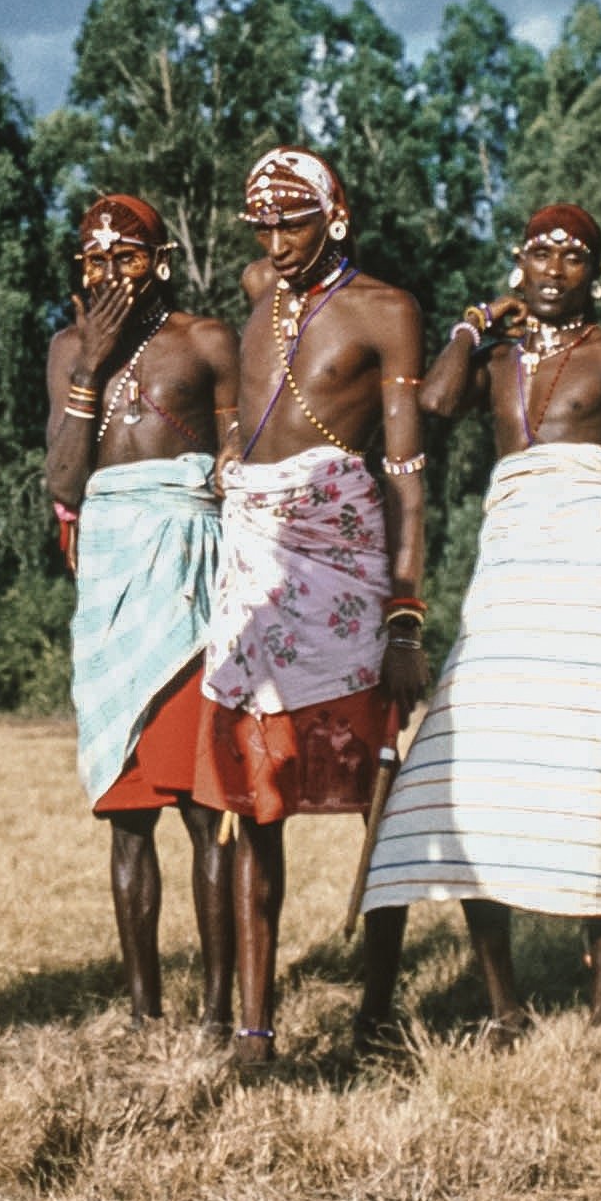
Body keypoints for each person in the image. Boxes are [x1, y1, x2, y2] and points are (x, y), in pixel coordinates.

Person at [356, 204, 601, 1041]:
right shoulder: (492, 360)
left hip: (594, 575)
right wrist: (471, 324)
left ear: (595, 273)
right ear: (516, 263)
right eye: (538, 252)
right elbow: (429, 406)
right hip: (506, 583)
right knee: (469, 778)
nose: (553, 268)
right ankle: (504, 1007)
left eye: (573, 257)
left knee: (594, 780)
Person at [193, 148, 428, 1062]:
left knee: (379, 788)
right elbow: (237, 400)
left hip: (344, 567)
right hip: (254, 560)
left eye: (293, 221)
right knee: (254, 800)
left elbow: (406, 474)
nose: (275, 241)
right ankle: (255, 1026)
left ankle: (375, 1011)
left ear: (336, 216)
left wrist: (404, 615)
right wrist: (226, 451)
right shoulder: (261, 285)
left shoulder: (385, 311)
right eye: (261, 224)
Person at [44, 196, 241, 1034]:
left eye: (123, 257)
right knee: (127, 819)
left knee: (206, 812)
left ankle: (216, 1006)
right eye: (91, 259)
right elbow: (61, 481)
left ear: (158, 262)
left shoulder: (203, 341)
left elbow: (241, 448)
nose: (105, 273)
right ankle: (141, 1010)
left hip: (192, 577)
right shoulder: (65, 348)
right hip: (113, 576)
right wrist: (87, 368)